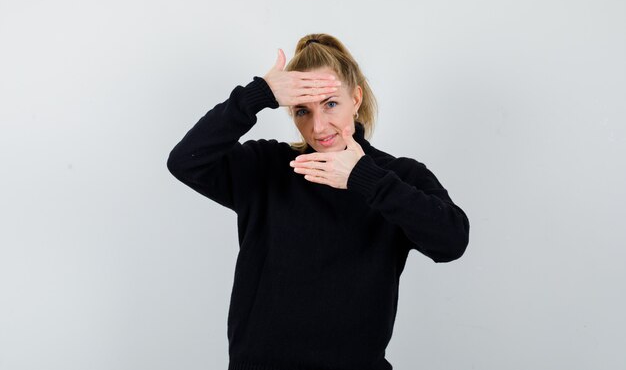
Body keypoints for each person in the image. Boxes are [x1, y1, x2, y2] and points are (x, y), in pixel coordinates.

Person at [166, 34, 470, 370]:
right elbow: (186, 161)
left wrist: (364, 179)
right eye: (302, 111)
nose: (318, 126)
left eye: (330, 103)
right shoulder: (267, 167)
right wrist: (259, 95)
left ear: (355, 98)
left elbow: (452, 241)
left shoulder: (397, 177)